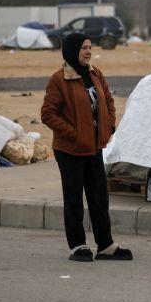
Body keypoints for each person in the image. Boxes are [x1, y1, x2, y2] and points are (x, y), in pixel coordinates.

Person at [40, 33, 133, 262]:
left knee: (99, 197)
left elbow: (108, 101)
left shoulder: (95, 74)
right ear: (72, 50)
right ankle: (78, 245)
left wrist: (109, 126)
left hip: (94, 148)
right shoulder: (59, 79)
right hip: (70, 150)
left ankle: (105, 245)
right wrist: (75, 134)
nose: (88, 52)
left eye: (90, 47)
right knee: (74, 198)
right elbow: (48, 114)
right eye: (84, 48)